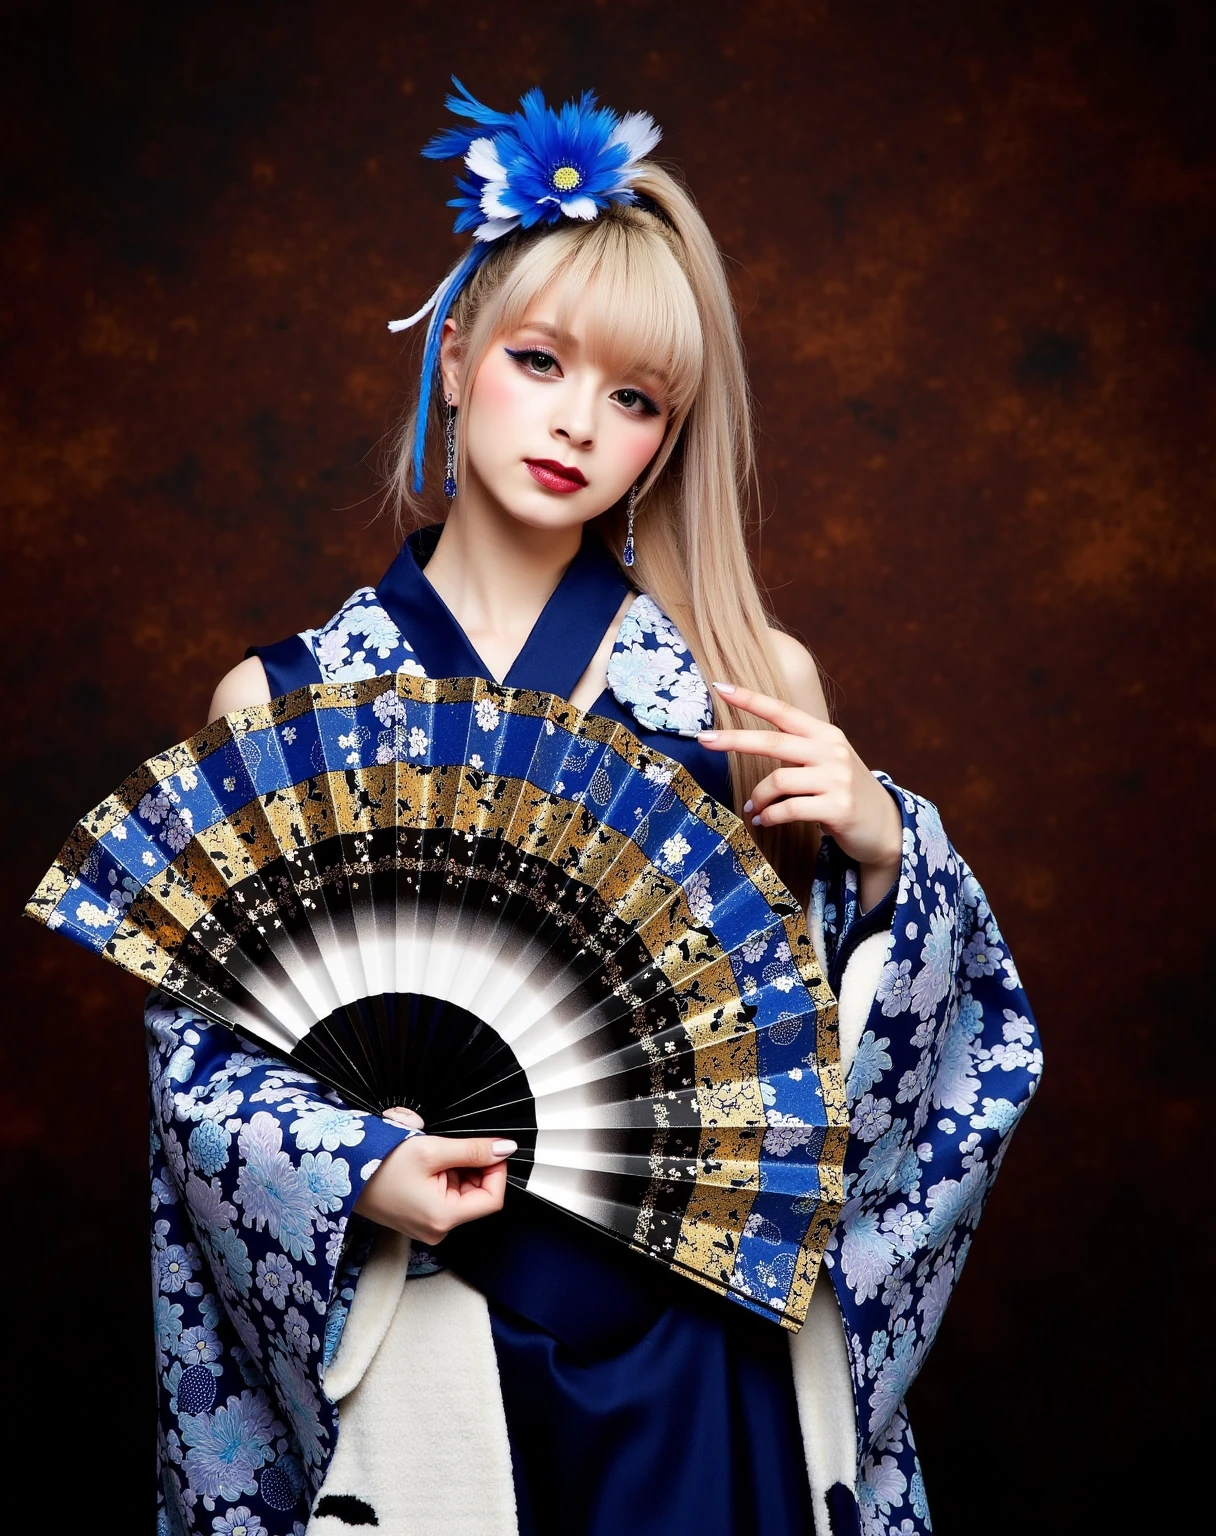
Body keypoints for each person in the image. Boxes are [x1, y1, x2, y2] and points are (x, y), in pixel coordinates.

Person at [147, 82, 1041, 1536]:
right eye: (540, 360)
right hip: (435, 1336)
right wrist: (359, 1168)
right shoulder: (286, 701)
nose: (578, 423)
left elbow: (834, 1090)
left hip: (703, 1347)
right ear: (454, 360)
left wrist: (892, 870)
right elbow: (203, 1079)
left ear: (666, 438)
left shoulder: (747, 681)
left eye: (634, 399)